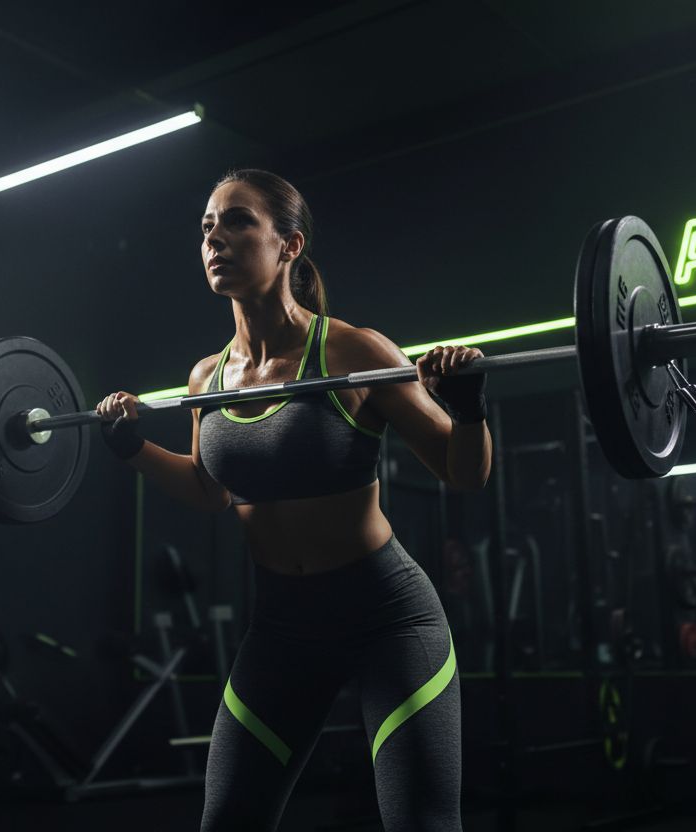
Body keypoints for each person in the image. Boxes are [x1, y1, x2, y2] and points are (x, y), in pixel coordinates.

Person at [96, 169, 491, 831]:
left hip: (388, 620)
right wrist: (131, 448)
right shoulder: (206, 377)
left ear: (290, 244)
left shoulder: (353, 351)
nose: (215, 238)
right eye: (206, 227)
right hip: (284, 626)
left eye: (238, 221)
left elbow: (465, 472)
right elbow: (211, 490)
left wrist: (470, 410)